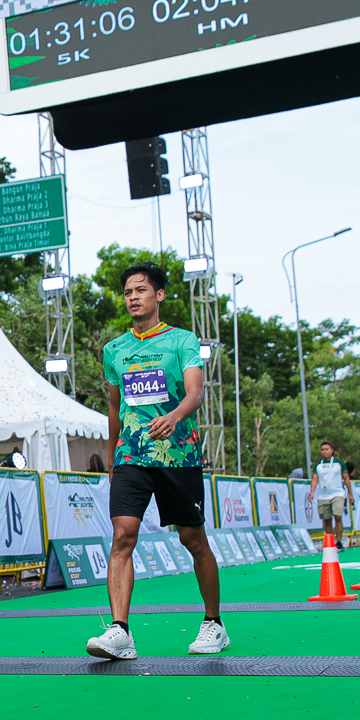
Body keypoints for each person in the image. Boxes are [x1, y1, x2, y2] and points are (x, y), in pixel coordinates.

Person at [84, 262, 227, 661]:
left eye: (141, 290)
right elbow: (115, 406)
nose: (133, 297)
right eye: (128, 292)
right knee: (122, 535)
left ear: (159, 295)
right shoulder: (114, 350)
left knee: (193, 539)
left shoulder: (182, 340)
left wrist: (175, 416)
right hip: (131, 455)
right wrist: (112, 454)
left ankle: (214, 622)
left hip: (178, 454)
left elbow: (195, 393)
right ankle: (120, 631)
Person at [310, 441, 357, 549]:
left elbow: (346, 478)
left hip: (338, 493)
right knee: (327, 519)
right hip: (323, 495)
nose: (324, 452)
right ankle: (331, 541)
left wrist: (350, 494)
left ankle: (339, 541)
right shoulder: (318, 465)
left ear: (332, 450)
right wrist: (312, 491)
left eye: (327, 449)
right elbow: (315, 479)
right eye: (322, 450)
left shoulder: (339, 463)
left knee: (337, 516)